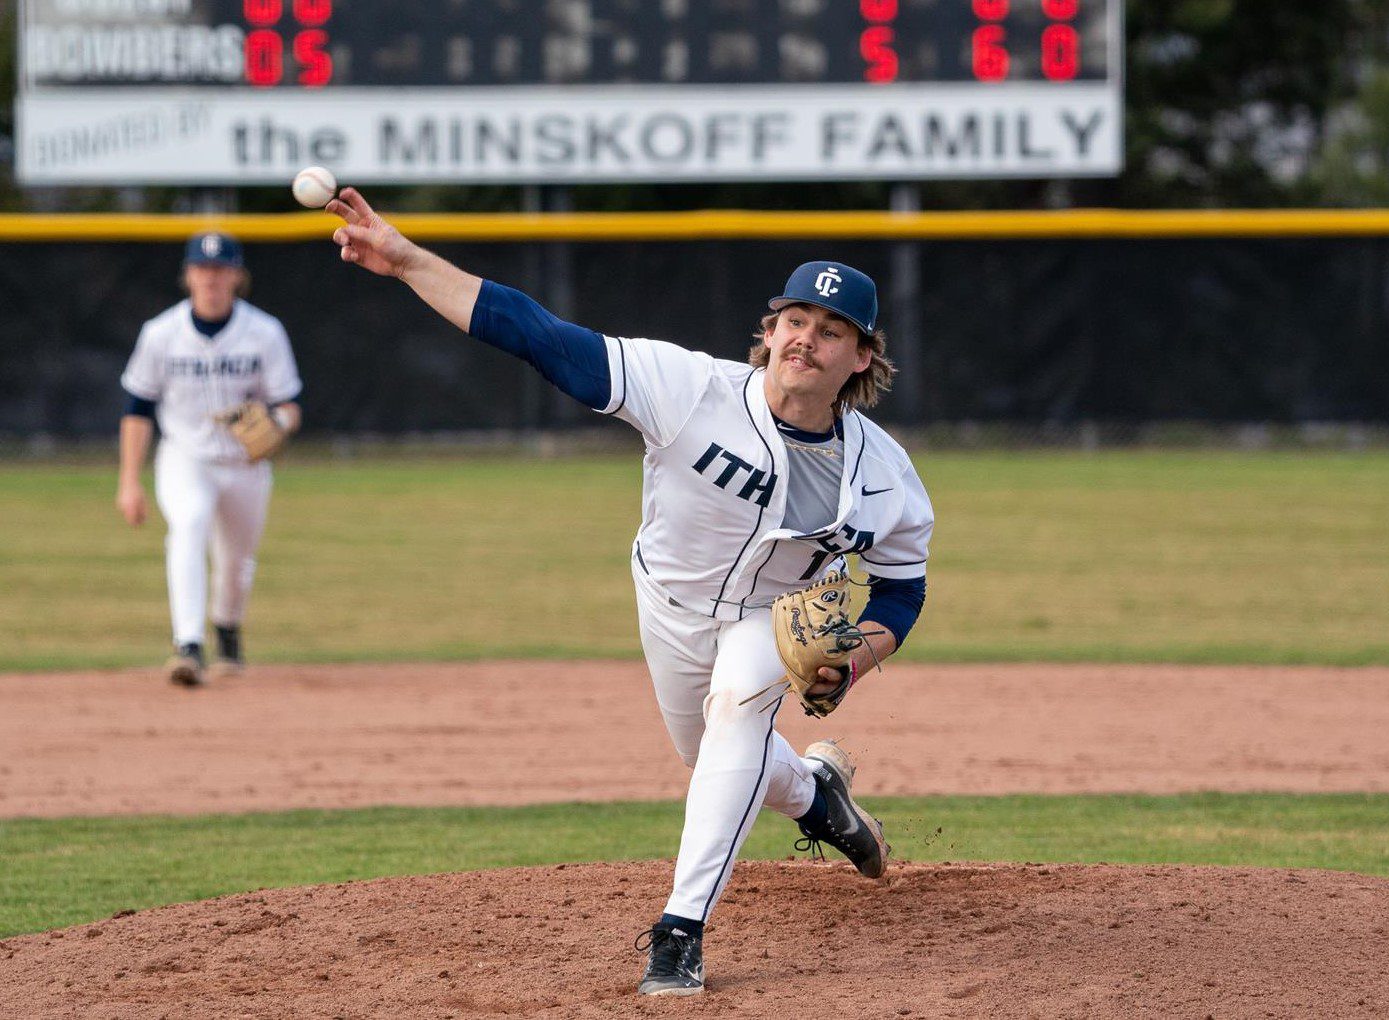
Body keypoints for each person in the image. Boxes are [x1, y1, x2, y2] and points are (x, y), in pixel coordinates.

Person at [326, 188, 932, 996]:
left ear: (861, 358)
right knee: (717, 756)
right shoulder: (689, 389)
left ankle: (679, 934)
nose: (806, 340)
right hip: (668, 607)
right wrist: (406, 261)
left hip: (769, 621)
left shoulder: (885, 475)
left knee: (740, 710)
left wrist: (856, 660)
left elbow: (901, 590)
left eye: (831, 332)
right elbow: (534, 333)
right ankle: (820, 800)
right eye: (794, 321)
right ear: (769, 331)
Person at [115, 231, 303, 687]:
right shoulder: (161, 334)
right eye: (203, 268)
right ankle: (189, 645)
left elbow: (290, 405)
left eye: (220, 269)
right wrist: (129, 481)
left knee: (237, 561)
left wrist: (275, 425)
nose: (211, 278)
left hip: (245, 464)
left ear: (237, 275)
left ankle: (228, 631)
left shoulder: (264, 332)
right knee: (190, 524)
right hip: (186, 456)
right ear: (188, 275)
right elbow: (137, 411)